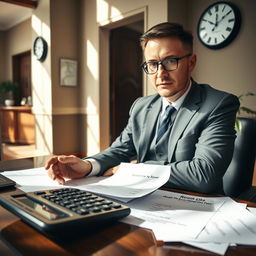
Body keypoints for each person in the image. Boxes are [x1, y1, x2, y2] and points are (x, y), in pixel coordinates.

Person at [45, 22, 239, 194]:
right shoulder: (141, 106)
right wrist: (87, 165)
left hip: (196, 207)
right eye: (152, 64)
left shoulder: (217, 105)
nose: (160, 74)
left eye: (171, 61)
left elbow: (204, 175)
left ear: (191, 63)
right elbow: (120, 150)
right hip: (140, 199)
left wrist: (135, 170)